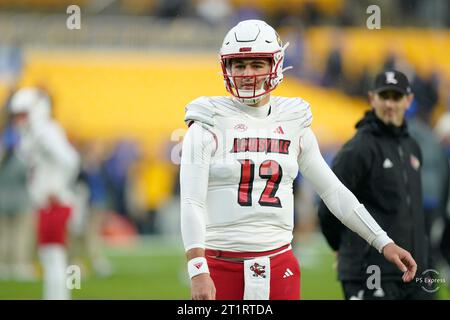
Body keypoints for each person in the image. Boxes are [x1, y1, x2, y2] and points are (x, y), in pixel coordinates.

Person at [180, 20, 417, 300]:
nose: (247, 74)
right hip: (221, 264)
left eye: (257, 65)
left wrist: (383, 241)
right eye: (239, 65)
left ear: (275, 65)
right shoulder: (207, 122)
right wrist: (198, 269)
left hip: (280, 264)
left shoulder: (293, 121)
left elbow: (333, 191)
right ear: (226, 68)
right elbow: (191, 201)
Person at [318, 70, 432, 300]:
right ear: (372, 98)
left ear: (408, 100)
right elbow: (329, 203)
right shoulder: (358, 148)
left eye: (396, 97)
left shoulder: (412, 147)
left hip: (413, 270)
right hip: (369, 269)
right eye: (384, 96)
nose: (390, 104)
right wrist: (339, 245)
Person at [8, 87, 80, 300]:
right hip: (45, 203)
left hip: (54, 202)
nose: (19, 119)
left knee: (55, 256)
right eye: (17, 115)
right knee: (49, 256)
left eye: (23, 113)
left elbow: (70, 159)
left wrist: (56, 188)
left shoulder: (45, 132)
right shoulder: (33, 133)